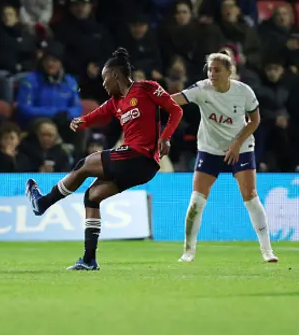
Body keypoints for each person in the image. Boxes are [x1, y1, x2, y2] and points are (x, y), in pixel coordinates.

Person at [25, 48, 183, 270]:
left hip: (141, 157)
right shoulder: (115, 101)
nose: (103, 84)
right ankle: (89, 259)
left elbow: (176, 111)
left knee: (85, 164)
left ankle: (44, 202)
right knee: (92, 196)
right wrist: (82, 121)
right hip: (134, 165)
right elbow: (98, 114)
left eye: (105, 78)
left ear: (116, 75)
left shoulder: (147, 88)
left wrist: (165, 137)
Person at [170, 51, 278, 263]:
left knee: (251, 198)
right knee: (196, 202)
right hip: (210, 149)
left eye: (217, 70)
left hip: (241, 147)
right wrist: (150, 97)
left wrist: (236, 144)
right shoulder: (201, 89)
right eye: (210, 69)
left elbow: (255, 121)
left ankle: (267, 251)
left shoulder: (243, 92)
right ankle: (188, 251)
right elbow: (174, 101)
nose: (212, 73)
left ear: (230, 72)